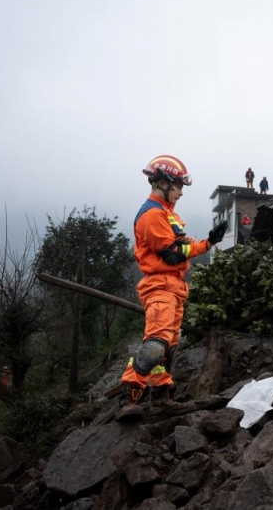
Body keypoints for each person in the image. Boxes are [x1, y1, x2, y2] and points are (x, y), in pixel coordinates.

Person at [118, 154, 227, 418]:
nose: (180, 192)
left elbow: (183, 245)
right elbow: (174, 254)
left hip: (174, 287)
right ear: (163, 182)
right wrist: (199, 246)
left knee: (169, 346)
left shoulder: (167, 214)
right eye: (178, 186)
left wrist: (209, 242)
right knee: (156, 344)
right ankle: (129, 400)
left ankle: (161, 396)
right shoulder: (152, 215)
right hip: (160, 286)